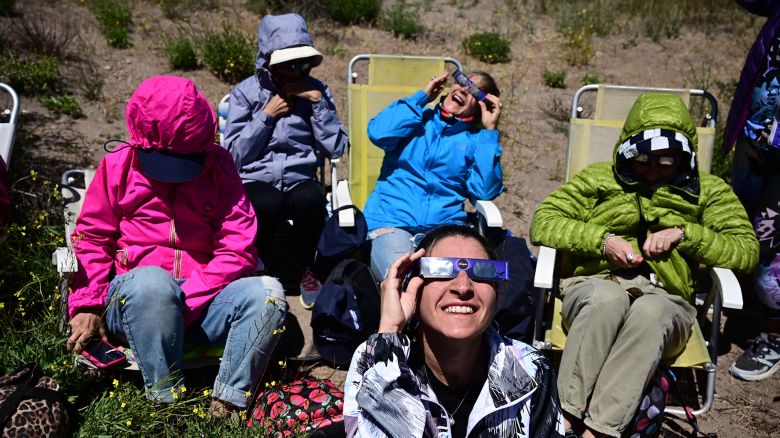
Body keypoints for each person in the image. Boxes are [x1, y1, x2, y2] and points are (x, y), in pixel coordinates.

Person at [530, 92, 759, 438]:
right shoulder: (599, 178)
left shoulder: (707, 191)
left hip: (667, 299)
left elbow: (745, 249)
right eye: (642, 160)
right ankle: (564, 417)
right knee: (607, 300)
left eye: (666, 162)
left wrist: (685, 234)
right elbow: (544, 221)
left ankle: (598, 432)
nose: (653, 170)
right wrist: (603, 241)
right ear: (626, 150)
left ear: (684, 156)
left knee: (650, 312)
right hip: (596, 283)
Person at [66, 76, 288, 416]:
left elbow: (238, 247)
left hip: (202, 303)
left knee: (268, 292)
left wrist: (184, 303)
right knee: (154, 284)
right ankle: (165, 401)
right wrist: (88, 303)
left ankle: (227, 401)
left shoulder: (219, 166)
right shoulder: (118, 165)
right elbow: (92, 237)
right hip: (136, 301)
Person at [344, 225, 565, 437]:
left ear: (497, 294)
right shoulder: (372, 358)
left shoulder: (530, 368)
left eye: (482, 271)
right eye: (441, 270)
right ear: (412, 288)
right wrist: (391, 328)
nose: (463, 287)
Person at [222, 13, 348, 308]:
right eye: (288, 64)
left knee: (310, 200)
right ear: (268, 61)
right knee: (265, 202)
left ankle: (307, 269)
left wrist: (318, 106)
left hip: (299, 176)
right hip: (256, 176)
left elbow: (336, 147)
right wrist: (266, 116)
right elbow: (233, 155)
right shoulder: (245, 93)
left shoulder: (316, 90)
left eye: (301, 64)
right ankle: (257, 266)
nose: (295, 71)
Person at [363, 70, 504, 282]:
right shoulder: (416, 120)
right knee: (403, 278)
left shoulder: (477, 141)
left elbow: (484, 191)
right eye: (462, 81)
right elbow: (378, 133)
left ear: (481, 107)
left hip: (443, 228)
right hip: (392, 221)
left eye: (474, 92)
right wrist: (420, 98)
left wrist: (490, 132)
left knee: (452, 282)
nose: (463, 90)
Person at [723, 0, 780, 382]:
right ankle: (745, 314)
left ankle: (773, 335)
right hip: (757, 135)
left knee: (770, 255)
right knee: (740, 223)